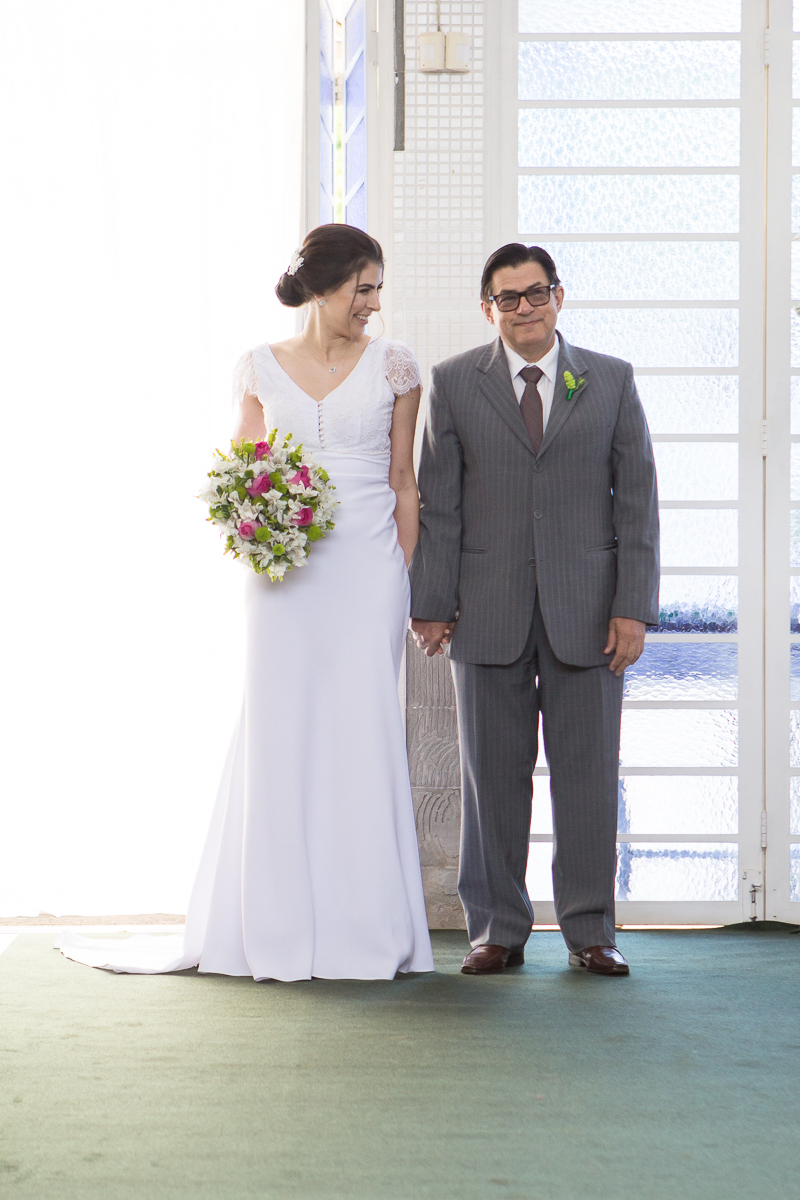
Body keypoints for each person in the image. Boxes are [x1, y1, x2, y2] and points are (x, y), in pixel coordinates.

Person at [58, 224, 434, 981]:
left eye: (377, 289)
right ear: (322, 287)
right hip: (283, 573)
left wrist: (405, 575)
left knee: (360, 724)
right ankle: (273, 923)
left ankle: (364, 927)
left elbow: (404, 480)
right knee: (279, 724)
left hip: (369, 570)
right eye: (362, 288)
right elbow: (240, 467)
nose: (373, 303)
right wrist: (259, 530)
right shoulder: (258, 366)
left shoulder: (396, 366)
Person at [409, 243, 659, 977]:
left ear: (559, 296)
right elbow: (439, 502)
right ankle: (496, 929)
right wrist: (431, 603)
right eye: (509, 297)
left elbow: (638, 502)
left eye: (537, 292)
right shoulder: (455, 382)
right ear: (488, 309)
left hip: (590, 613)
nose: (526, 307)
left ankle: (590, 931)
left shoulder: (610, 379)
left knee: (589, 777)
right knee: (491, 779)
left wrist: (633, 608)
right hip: (487, 609)